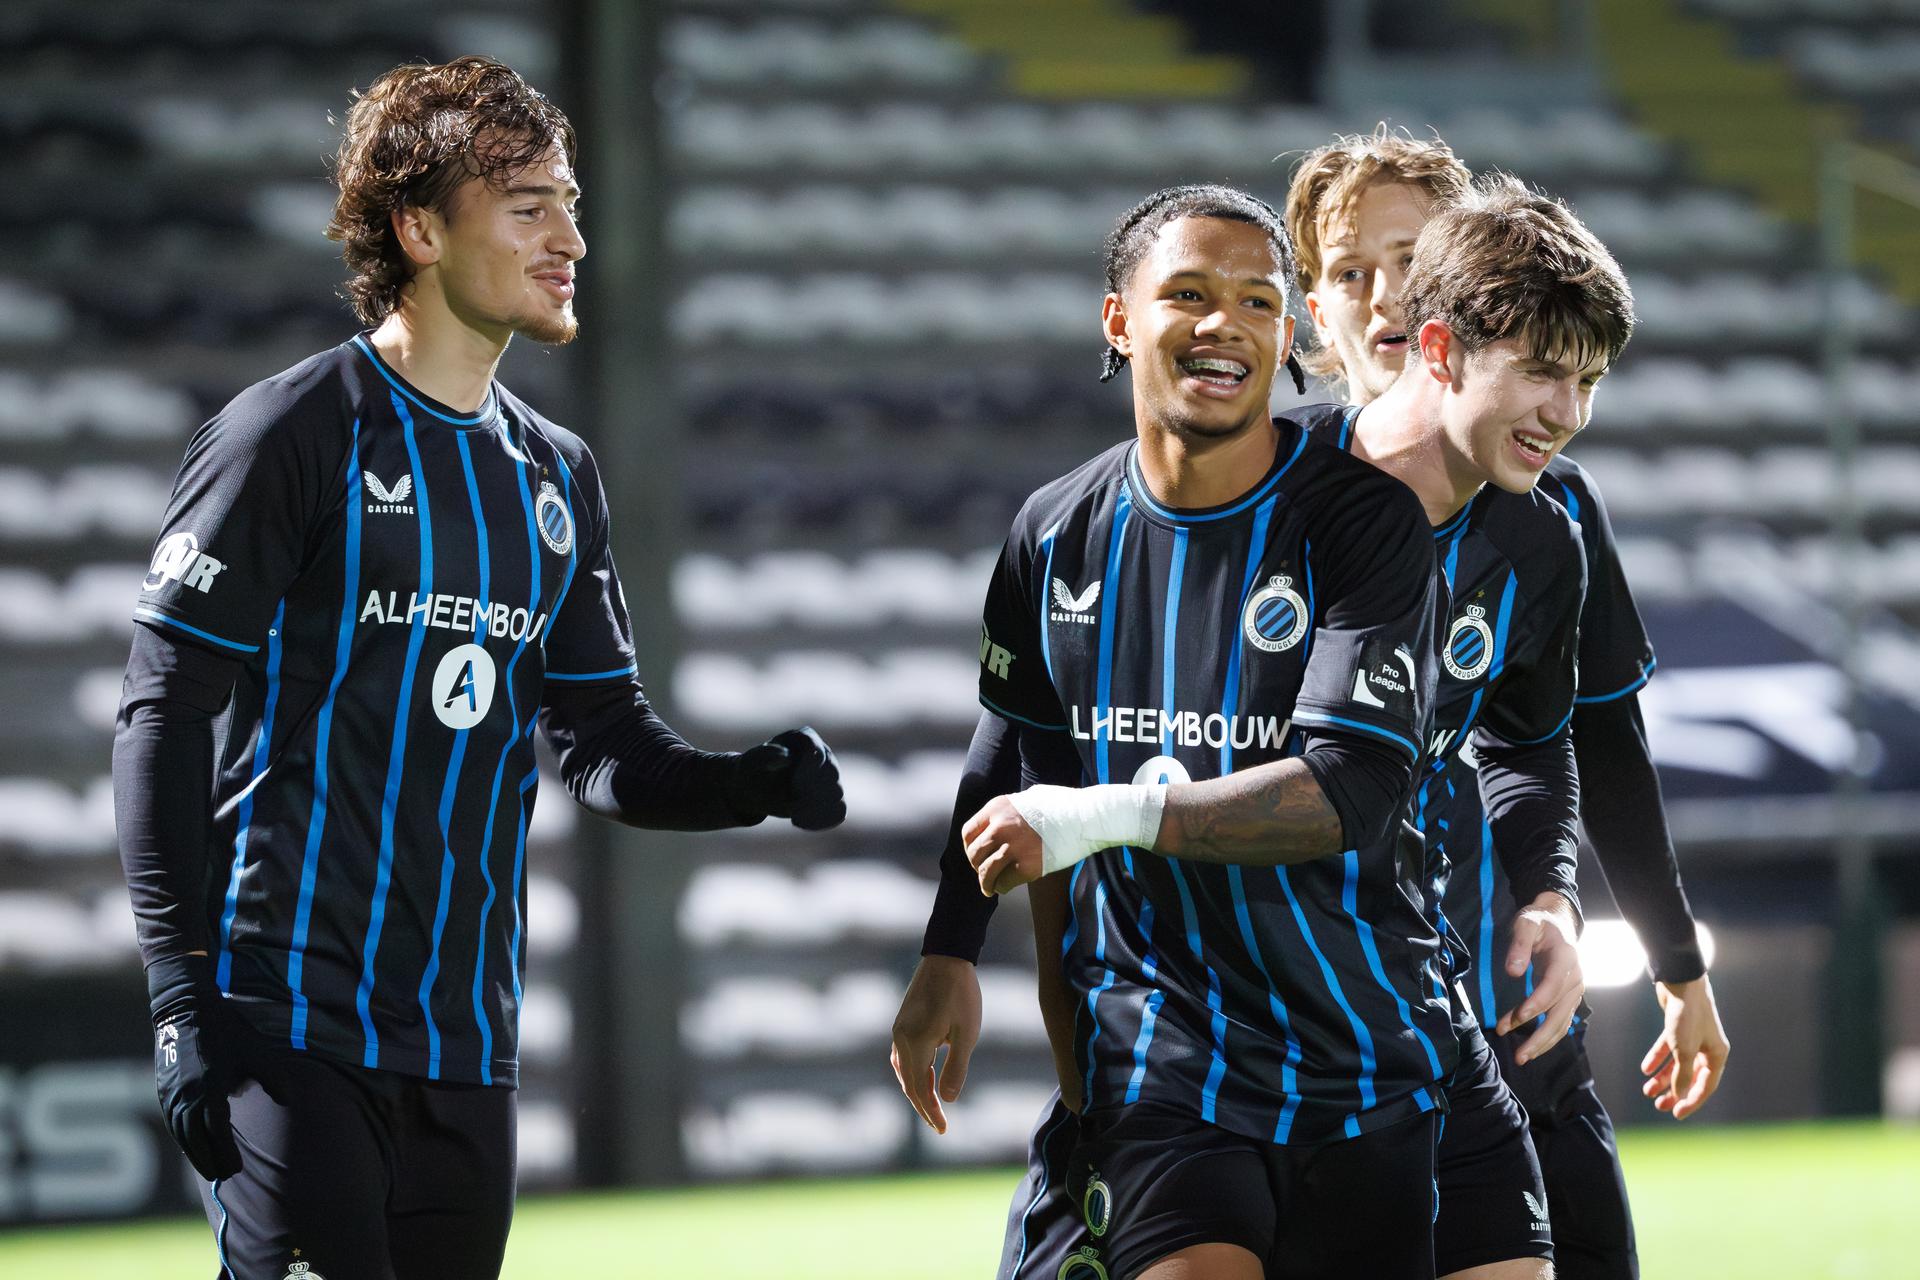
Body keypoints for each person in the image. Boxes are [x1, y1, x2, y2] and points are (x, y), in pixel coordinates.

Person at [114, 57, 844, 1280]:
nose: (572, 238)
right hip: (285, 1021)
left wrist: (745, 782)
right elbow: (160, 716)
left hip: (466, 1048)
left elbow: (601, 742)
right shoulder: (290, 434)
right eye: (528, 207)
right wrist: (182, 999)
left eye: (569, 202)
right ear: (418, 228)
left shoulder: (556, 476)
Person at [941, 181, 1458, 1280]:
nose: (1225, 323)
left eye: (1259, 302)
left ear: (1286, 335)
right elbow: (1012, 751)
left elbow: (1350, 789)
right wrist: (950, 950)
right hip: (1164, 1058)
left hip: (1361, 1056)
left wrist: (1105, 817)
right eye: (1188, 293)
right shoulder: (1053, 529)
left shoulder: (1360, 521)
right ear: (1121, 320)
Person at [1287, 128, 1730, 1279]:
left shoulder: (1548, 522)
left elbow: (1579, 747)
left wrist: (1603, 923)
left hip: (1506, 1010)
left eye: (1413, 253)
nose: (1384, 293)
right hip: (1305, 1048)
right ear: (1309, 309)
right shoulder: (1259, 505)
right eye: (1351, 269)